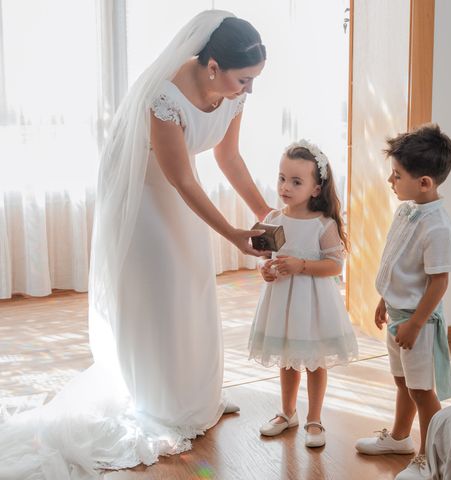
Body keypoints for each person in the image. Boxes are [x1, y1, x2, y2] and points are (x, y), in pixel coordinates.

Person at [0, 10, 270, 477]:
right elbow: (181, 179)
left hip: (180, 187)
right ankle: (161, 403)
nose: (249, 91)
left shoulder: (233, 94)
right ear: (212, 68)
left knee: (194, 282)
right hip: (144, 191)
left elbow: (229, 157)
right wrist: (231, 234)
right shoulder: (163, 96)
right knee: (162, 288)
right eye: (244, 80)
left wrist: (264, 212)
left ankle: (197, 398)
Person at [354, 124, 451, 480]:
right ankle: (400, 438)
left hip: (418, 324)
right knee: (402, 383)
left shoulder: (438, 227)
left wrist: (415, 324)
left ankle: (431, 457)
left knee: (422, 392)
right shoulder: (407, 211)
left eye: (397, 175)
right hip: (399, 317)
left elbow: (438, 282)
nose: (390, 181)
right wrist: (385, 299)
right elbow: (398, 260)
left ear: (425, 182)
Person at [248, 140, 358, 448]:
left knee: (314, 361)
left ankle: (314, 418)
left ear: (315, 188)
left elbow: (335, 265)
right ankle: (287, 413)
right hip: (282, 301)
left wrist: (301, 265)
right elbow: (263, 256)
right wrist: (264, 269)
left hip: (312, 303)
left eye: (296, 181)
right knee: (288, 359)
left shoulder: (323, 224)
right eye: (282, 177)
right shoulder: (273, 220)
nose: (285, 186)